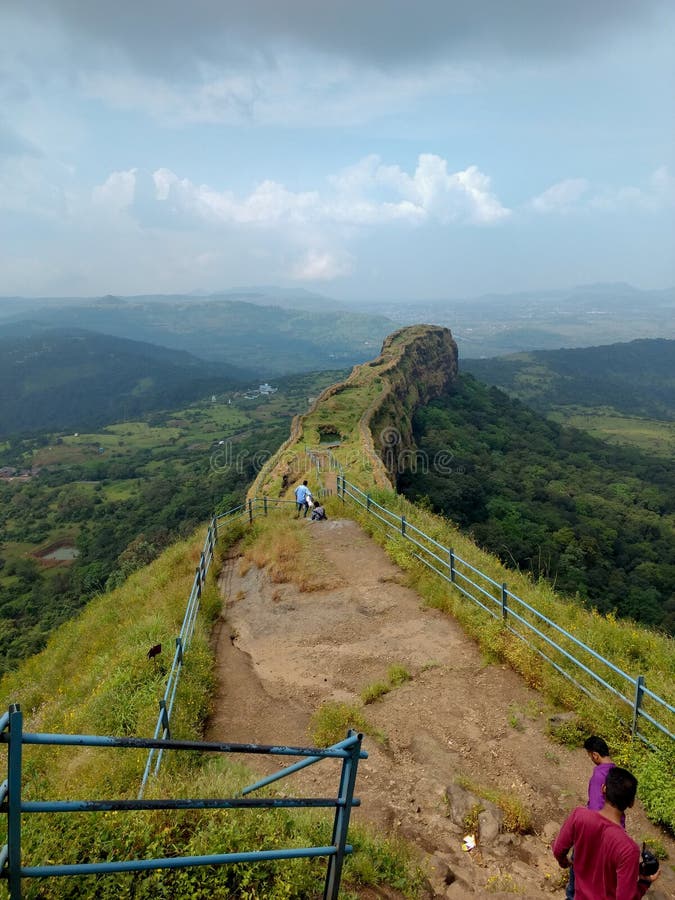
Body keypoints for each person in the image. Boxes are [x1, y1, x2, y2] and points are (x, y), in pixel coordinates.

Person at [553, 767, 660, 900]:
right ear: (631, 803)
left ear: (603, 788)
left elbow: (558, 850)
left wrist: (565, 862)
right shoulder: (629, 849)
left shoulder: (579, 816)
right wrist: (644, 882)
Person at [566, 736, 620, 898]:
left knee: (575, 883)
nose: (590, 759)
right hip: (613, 836)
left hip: (593, 836)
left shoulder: (599, 776)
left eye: (590, 755)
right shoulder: (617, 774)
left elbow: (596, 808)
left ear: (595, 755)